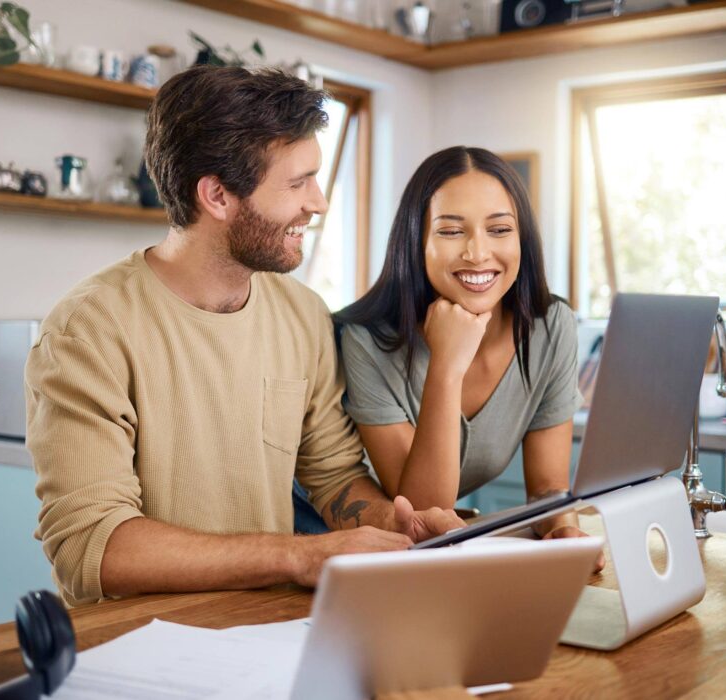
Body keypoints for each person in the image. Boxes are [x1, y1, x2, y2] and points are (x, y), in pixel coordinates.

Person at [24, 66, 463, 607]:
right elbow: (92, 549)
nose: (319, 202)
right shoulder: (88, 331)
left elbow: (333, 477)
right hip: (136, 648)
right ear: (217, 196)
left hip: (266, 630)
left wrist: (398, 529)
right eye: (297, 182)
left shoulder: (302, 314)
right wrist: (296, 555)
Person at [334, 146, 602, 562]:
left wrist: (563, 528)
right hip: (345, 545)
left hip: (430, 556)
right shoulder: (364, 340)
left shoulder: (550, 326)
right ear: (416, 241)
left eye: (499, 230)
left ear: (522, 239)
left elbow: (548, 487)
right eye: (451, 231)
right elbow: (423, 514)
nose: (477, 253)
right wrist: (446, 367)